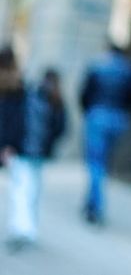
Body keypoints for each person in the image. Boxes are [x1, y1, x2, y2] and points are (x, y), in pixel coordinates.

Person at [80, 43, 131, 225]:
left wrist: (90, 111)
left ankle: (95, 206)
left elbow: (84, 94)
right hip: (118, 119)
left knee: (95, 163)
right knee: (103, 161)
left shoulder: (97, 65)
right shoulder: (129, 69)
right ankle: (91, 202)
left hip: (97, 116)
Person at [6, 68, 67, 250]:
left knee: (21, 190)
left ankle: (22, 228)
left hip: (24, 150)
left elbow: (16, 121)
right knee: (33, 189)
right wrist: (49, 144)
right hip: (40, 152)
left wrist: (11, 143)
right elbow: (61, 128)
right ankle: (29, 228)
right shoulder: (56, 100)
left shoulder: (29, 96)